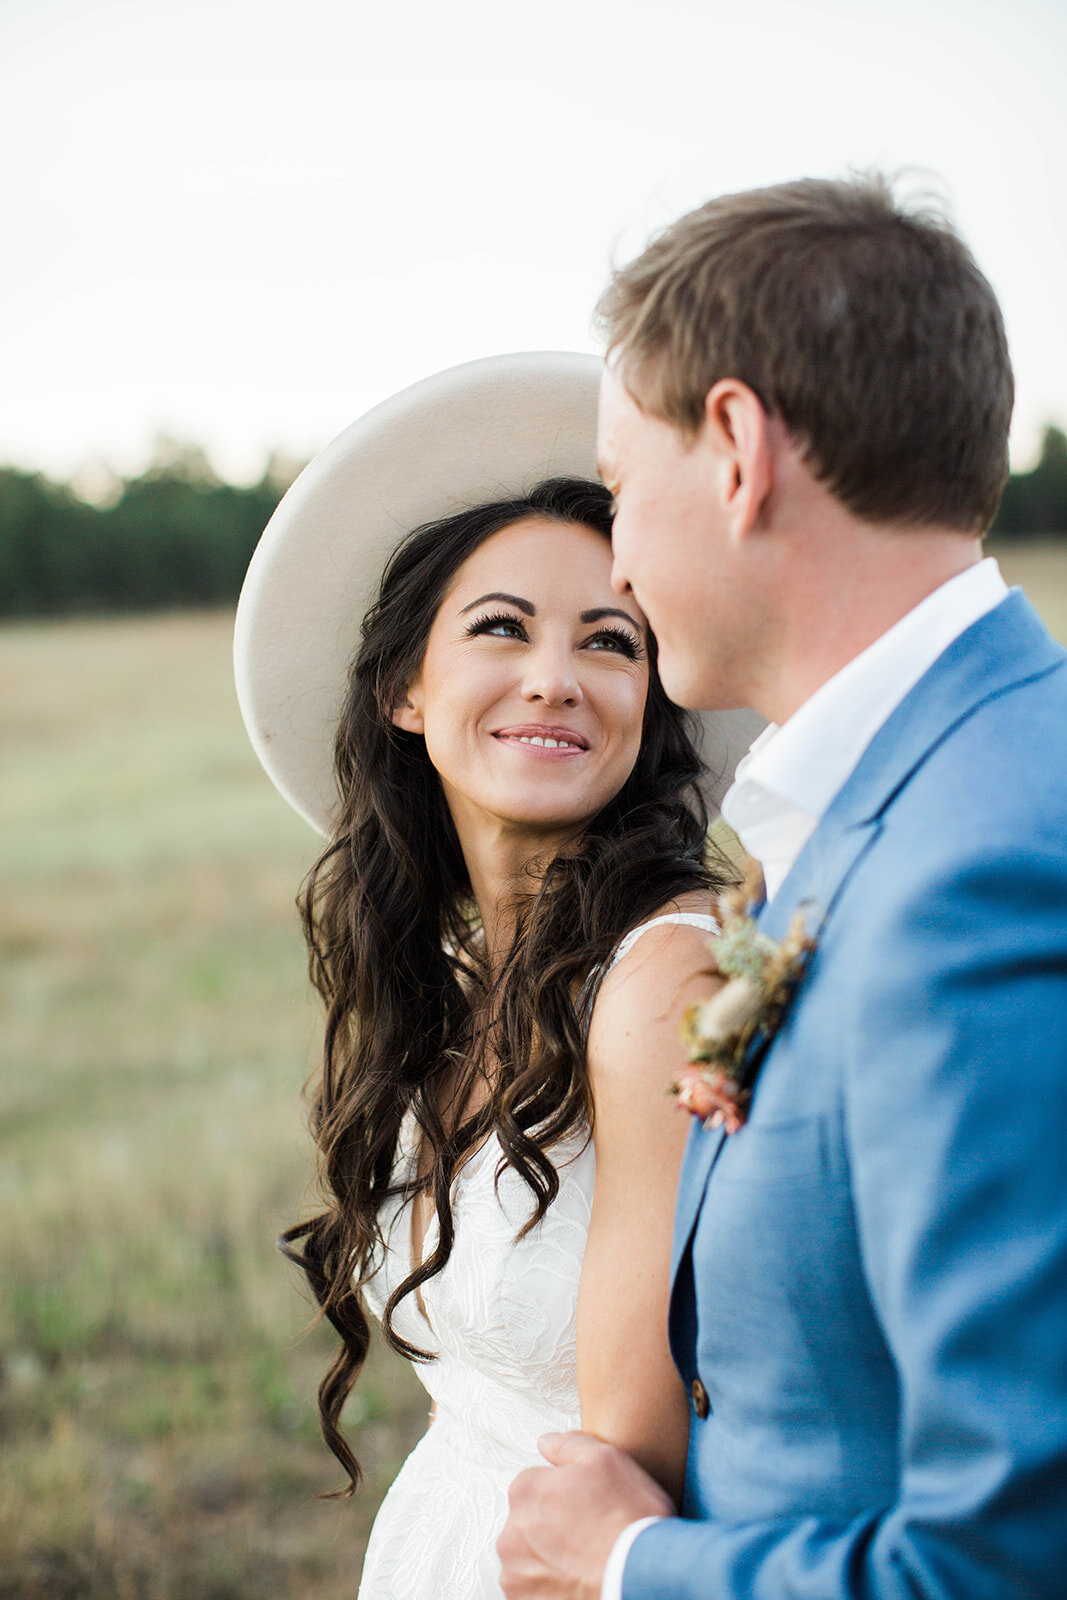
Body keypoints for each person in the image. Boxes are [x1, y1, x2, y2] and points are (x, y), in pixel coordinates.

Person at [498, 177, 1067, 1599]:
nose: (619, 561)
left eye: (623, 489)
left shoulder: (980, 868)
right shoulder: (924, 785)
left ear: (738, 449)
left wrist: (630, 1562)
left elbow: (1004, 1560)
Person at [232, 353, 759, 1599]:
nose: (554, 676)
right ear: (403, 689)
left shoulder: (659, 985)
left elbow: (630, 1477)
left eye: (609, 640)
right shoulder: (470, 982)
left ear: (652, 699)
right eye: (500, 627)